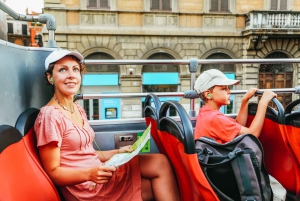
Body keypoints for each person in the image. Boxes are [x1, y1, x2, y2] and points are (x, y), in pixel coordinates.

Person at [34, 49, 180, 201]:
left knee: (159, 162)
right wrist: (90, 174)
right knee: (154, 182)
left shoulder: (77, 108)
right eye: (63, 69)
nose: (71, 75)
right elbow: (53, 172)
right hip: (87, 186)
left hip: (98, 174)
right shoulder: (49, 116)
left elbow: (84, 155)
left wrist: (118, 152)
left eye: (75, 69)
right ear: (50, 77)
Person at [193, 69, 286, 200]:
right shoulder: (215, 119)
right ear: (208, 95)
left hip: (220, 168)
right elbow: (252, 135)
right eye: (223, 89)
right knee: (278, 191)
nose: (229, 91)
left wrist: (245, 101)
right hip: (226, 173)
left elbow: (237, 127)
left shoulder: (208, 113)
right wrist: (263, 103)